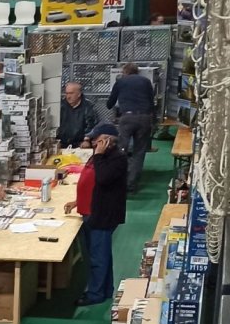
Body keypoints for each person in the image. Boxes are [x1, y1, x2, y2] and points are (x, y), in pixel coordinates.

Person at [65, 122, 128, 306]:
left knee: (97, 257)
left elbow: (103, 178)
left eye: (97, 139)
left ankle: (95, 294)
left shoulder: (116, 158)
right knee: (101, 254)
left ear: (107, 140)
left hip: (102, 214)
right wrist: (77, 201)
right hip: (90, 210)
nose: (93, 142)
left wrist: (99, 155)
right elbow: (91, 184)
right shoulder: (99, 156)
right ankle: (105, 289)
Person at [108, 62, 156, 192]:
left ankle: (119, 181)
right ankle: (131, 184)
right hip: (145, 118)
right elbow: (151, 101)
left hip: (127, 118)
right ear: (137, 71)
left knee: (121, 150)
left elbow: (110, 103)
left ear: (124, 72)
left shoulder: (120, 82)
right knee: (139, 152)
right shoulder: (146, 81)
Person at [58, 80, 99, 148]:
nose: (68, 96)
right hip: (62, 143)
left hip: (80, 144)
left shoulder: (88, 107)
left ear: (79, 94)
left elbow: (91, 125)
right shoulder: (61, 106)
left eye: (71, 93)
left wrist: (86, 140)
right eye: (67, 93)